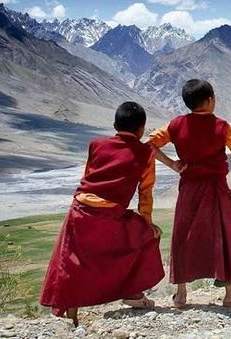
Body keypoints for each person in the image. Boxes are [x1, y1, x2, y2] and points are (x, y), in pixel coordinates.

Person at [40, 101, 174, 325]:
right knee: (147, 236)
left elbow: (88, 177)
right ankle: (133, 294)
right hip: (111, 214)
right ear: (142, 129)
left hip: (79, 211)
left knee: (73, 262)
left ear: (114, 125)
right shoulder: (145, 153)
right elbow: (145, 193)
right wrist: (147, 223)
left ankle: (70, 316)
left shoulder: (96, 144)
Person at [149, 79, 231, 309]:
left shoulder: (175, 125)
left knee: (184, 236)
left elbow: (150, 144)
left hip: (189, 190)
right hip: (215, 189)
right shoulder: (220, 126)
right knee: (223, 235)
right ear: (211, 100)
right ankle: (230, 294)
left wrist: (172, 164)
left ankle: (181, 295)